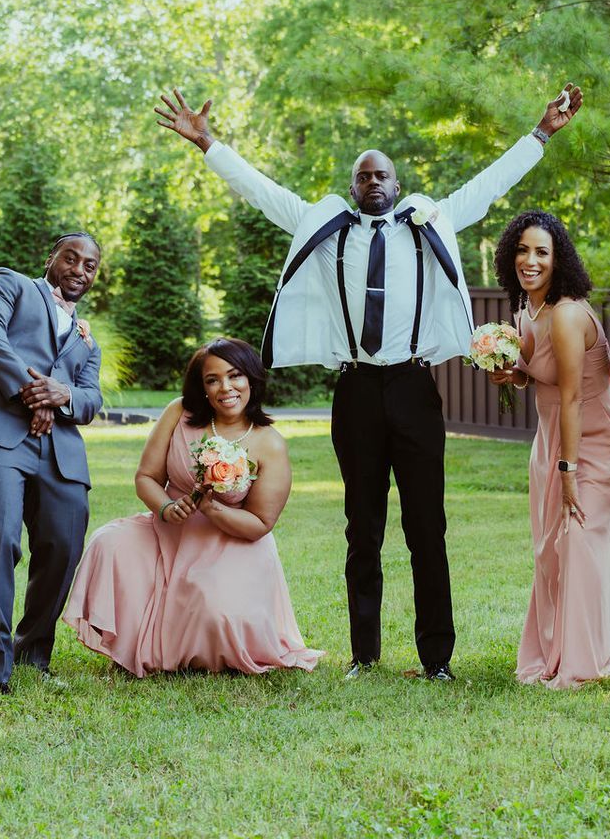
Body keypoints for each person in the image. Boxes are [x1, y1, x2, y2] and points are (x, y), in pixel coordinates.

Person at [157, 84, 583, 682]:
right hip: (355, 391)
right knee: (363, 526)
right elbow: (261, 192)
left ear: (397, 184)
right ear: (354, 186)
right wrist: (208, 144)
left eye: (382, 175)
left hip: (414, 388)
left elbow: (489, 186)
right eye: (364, 177)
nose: (374, 183)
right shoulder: (326, 225)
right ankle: (365, 654)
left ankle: (437, 659)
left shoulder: (430, 221)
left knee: (426, 526)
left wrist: (539, 135)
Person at [65, 338, 323, 676]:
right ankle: (135, 642)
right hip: (169, 529)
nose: (225, 388)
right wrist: (167, 508)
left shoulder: (268, 442)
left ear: (252, 380)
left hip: (231, 542)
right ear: (201, 386)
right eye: (212, 380)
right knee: (107, 542)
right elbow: (146, 477)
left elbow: (260, 523)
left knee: (214, 610)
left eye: (235, 376)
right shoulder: (179, 412)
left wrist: (211, 509)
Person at [0, 233, 105, 693]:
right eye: (70, 258)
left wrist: (62, 394)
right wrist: (31, 392)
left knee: (64, 546)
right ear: (51, 259)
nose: (79, 270)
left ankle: (33, 652)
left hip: (61, 453)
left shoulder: (88, 340)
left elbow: (91, 397)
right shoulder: (9, 285)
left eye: (90, 266)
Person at [489, 211, 610, 689]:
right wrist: (515, 373)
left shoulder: (568, 314)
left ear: (559, 260)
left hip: (593, 436)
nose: (530, 261)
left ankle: (584, 659)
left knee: (579, 539)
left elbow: (573, 394)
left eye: (542, 253)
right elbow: (545, 377)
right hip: (551, 435)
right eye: (522, 250)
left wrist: (568, 470)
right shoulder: (524, 311)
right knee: (549, 545)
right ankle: (553, 647)